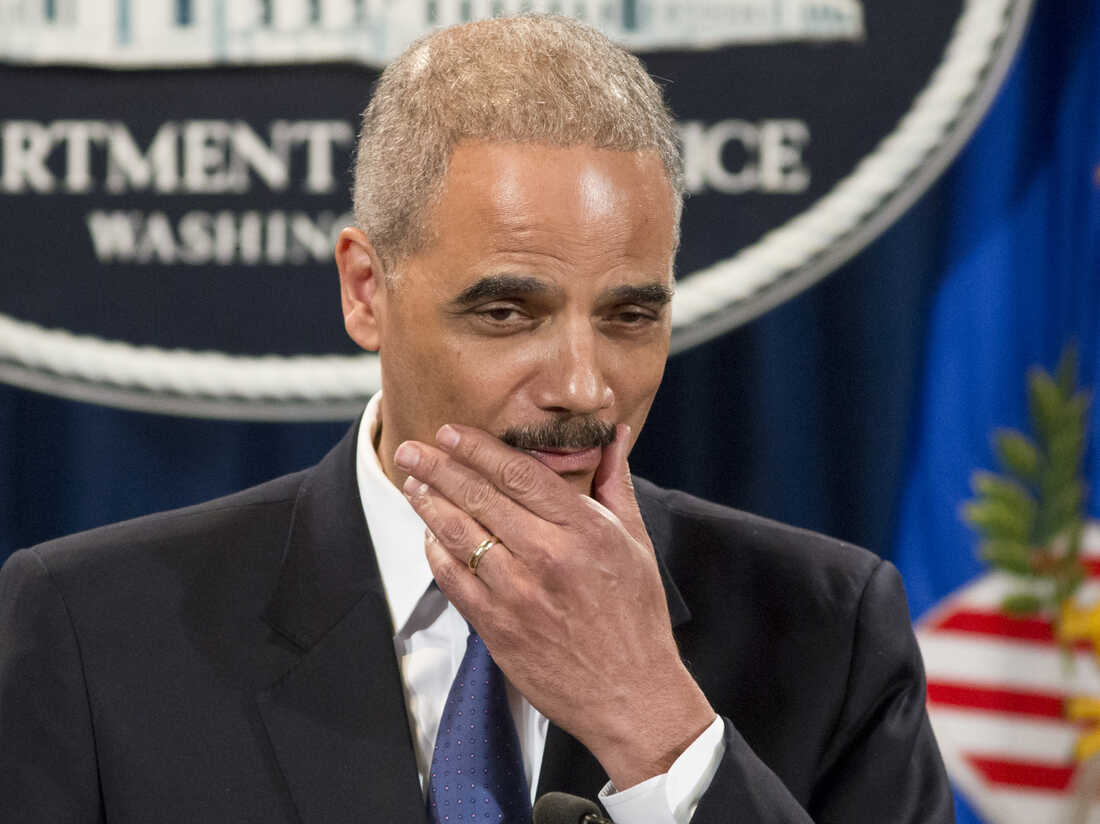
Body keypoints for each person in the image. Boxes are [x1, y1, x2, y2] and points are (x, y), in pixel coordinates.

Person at [0, 14, 953, 824]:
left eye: (631, 314)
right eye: (507, 312)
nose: (585, 386)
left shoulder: (828, 632)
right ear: (367, 289)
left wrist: (658, 731)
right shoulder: (94, 633)